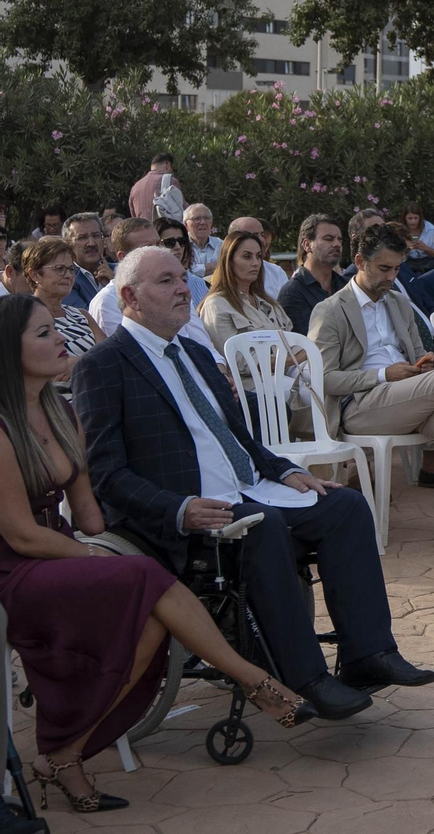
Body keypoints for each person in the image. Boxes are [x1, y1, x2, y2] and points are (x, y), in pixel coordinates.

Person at [73, 246, 434, 719]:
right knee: (260, 528)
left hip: (246, 491)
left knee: (344, 506)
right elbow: (106, 473)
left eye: (182, 277)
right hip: (183, 514)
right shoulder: (103, 366)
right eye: (166, 281)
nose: (183, 288)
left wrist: (287, 471)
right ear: (129, 298)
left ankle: (368, 656)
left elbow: (240, 438)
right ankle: (304, 678)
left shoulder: (196, 354)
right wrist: (177, 508)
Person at [0, 294, 313, 815]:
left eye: (56, 329)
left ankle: (64, 753)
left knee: (148, 618)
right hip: (15, 565)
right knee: (144, 575)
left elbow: (90, 514)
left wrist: (117, 540)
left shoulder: (60, 416)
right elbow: (21, 535)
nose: (60, 340)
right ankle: (254, 679)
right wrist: (99, 562)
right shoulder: (2, 427)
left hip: (59, 552)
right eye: (43, 334)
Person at [308, 225, 434, 553]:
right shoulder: (330, 310)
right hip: (360, 406)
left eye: (397, 268)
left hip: (411, 395)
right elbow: (326, 379)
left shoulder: (398, 302)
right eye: (384, 268)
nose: (392, 276)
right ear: (360, 261)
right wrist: (384, 374)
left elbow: (417, 356)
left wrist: (423, 363)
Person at [88, 218, 220, 360]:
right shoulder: (106, 302)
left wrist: (220, 371)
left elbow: (204, 345)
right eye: (148, 247)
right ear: (123, 257)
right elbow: (130, 359)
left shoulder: (177, 288)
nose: (159, 252)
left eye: (158, 244)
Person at [199, 231, 296, 358]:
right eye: (247, 256)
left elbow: (296, 343)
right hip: (252, 377)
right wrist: (289, 361)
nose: (255, 263)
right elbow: (239, 361)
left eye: (259, 256)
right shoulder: (216, 304)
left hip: (290, 373)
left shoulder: (268, 303)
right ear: (229, 261)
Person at [23, 237, 106, 383]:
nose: (68, 275)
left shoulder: (82, 315)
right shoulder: (24, 319)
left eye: (70, 269)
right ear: (34, 274)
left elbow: (110, 355)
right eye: (60, 269)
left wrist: (79, 363)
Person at [279, 214, 347, 334]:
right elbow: (305, 344)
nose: (337, 244)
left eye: (339, 240)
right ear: (307, 245)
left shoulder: (346, 286)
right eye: (328, 238)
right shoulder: (292, 293)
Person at [155, 218, 209, 311]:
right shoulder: (148, 285)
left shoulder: (199, 283)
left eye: (182, 241)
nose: (177, 247)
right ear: (155, 244)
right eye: (169, 243)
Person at [228, 216, 289, 300]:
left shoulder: (276, 272)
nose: (261, 240)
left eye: (262, 234)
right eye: (254, 235)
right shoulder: (218, 300)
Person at [62, 213, 110, 308]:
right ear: (68, 244)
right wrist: (112, 289)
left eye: (96, 235)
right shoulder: (67, 279)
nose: (91, 243)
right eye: (82, 238)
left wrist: (115, 283)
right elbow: (85, 319)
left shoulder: (119, 270)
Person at [127, 152, 182, 222]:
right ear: (168, 166)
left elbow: (133, 215)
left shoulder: (135, 187)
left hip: (143, 230)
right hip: (164, 229)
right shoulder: (170, 180)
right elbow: (181, 208)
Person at [183, 204, 223, 277]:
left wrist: (196, 269)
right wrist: (216, 266)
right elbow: (184, 271)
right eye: (197, 218)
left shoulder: (221, 245)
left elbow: (229, 267)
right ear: (186, 225)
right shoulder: (181, 245)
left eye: (206, 218)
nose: (203, 222)